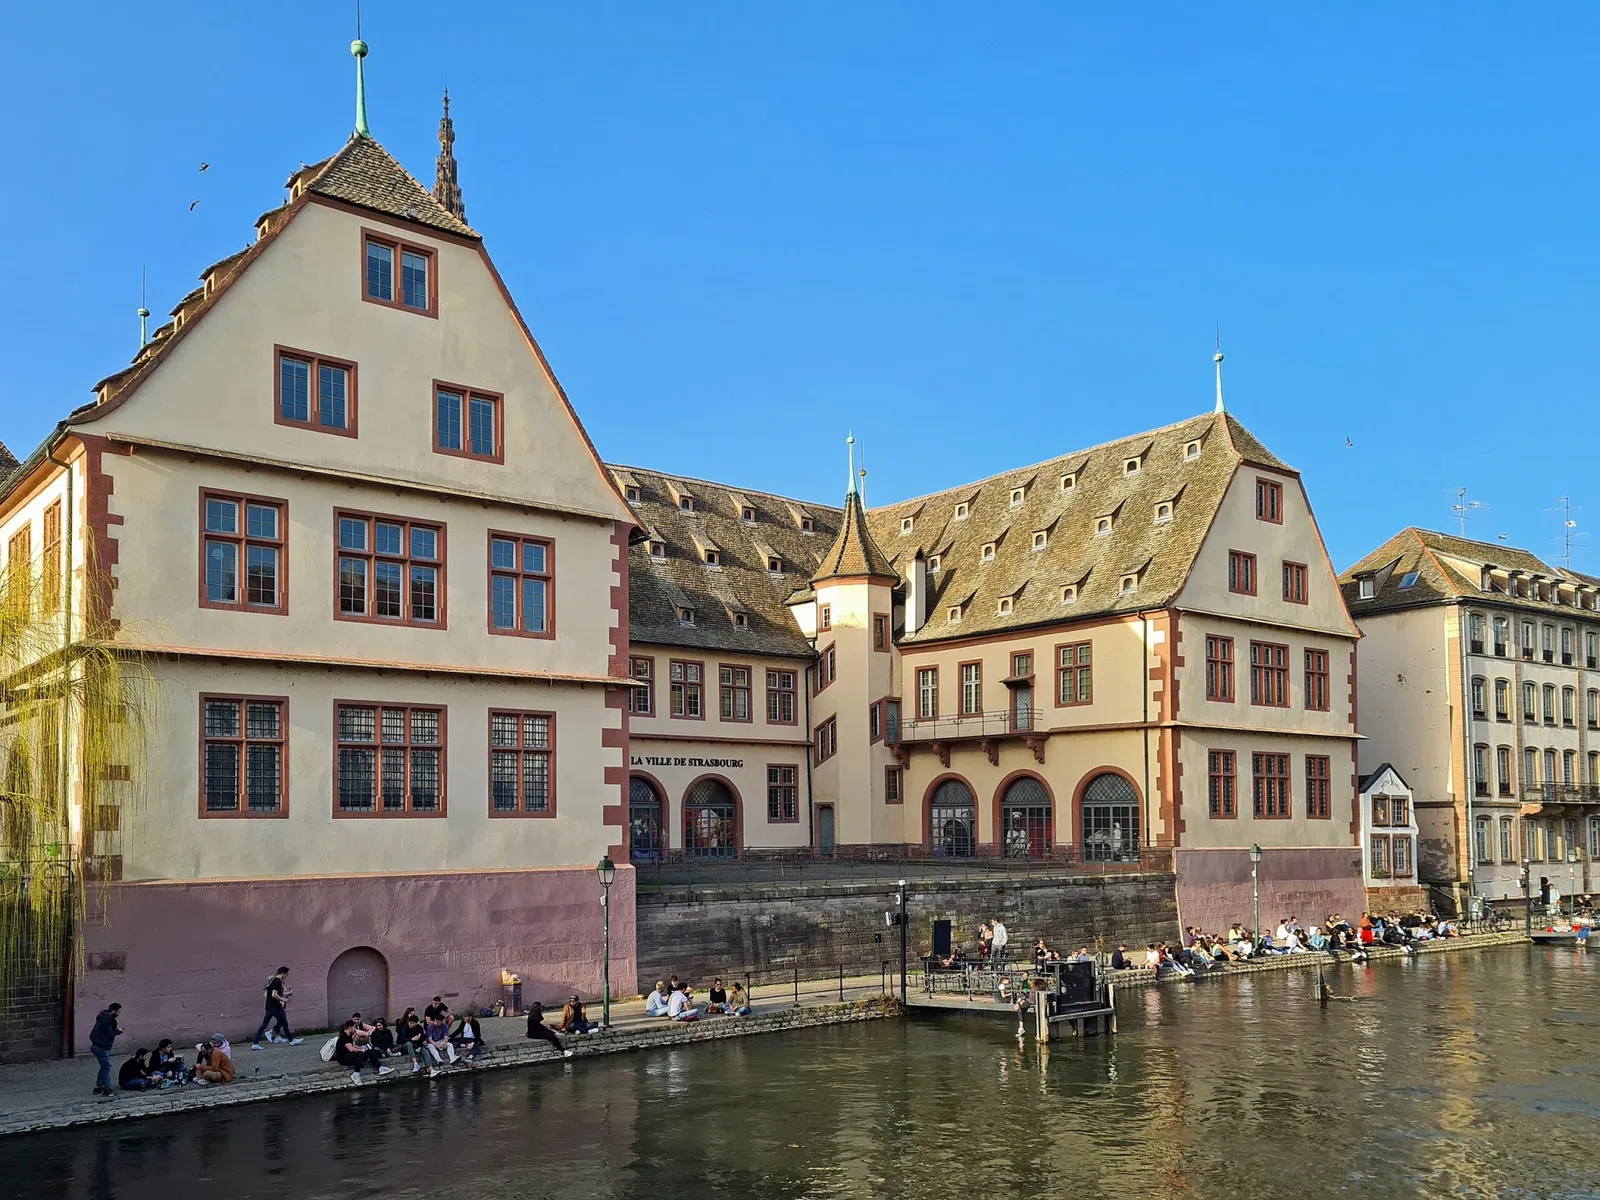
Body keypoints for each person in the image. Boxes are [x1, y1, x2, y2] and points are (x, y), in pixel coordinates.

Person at [251, 966, 303, 1050]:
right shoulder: (277, 981)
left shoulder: (273, 980)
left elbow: (277, 992)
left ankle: (255, 1043)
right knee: (284, 1022)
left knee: (264, 1025)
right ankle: (291, 1040)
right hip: (275, 1007)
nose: (286, 976)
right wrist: (284, 1000)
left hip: (269, 1006)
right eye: (286, 974)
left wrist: (288, 992)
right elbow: (274, 994)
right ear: (283, 973)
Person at [89, 1002, 123, 1096]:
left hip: (97, 1045)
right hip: (101, 1046)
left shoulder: (103, 1016)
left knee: (104, 1066)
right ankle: (106, 1089)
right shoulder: (108, 1020)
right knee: (106, 1066)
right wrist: (118, 1031)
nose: (118, 1014)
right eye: (118, 1012)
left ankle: (99, 1086)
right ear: (113, 1010)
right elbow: (110, 1033)